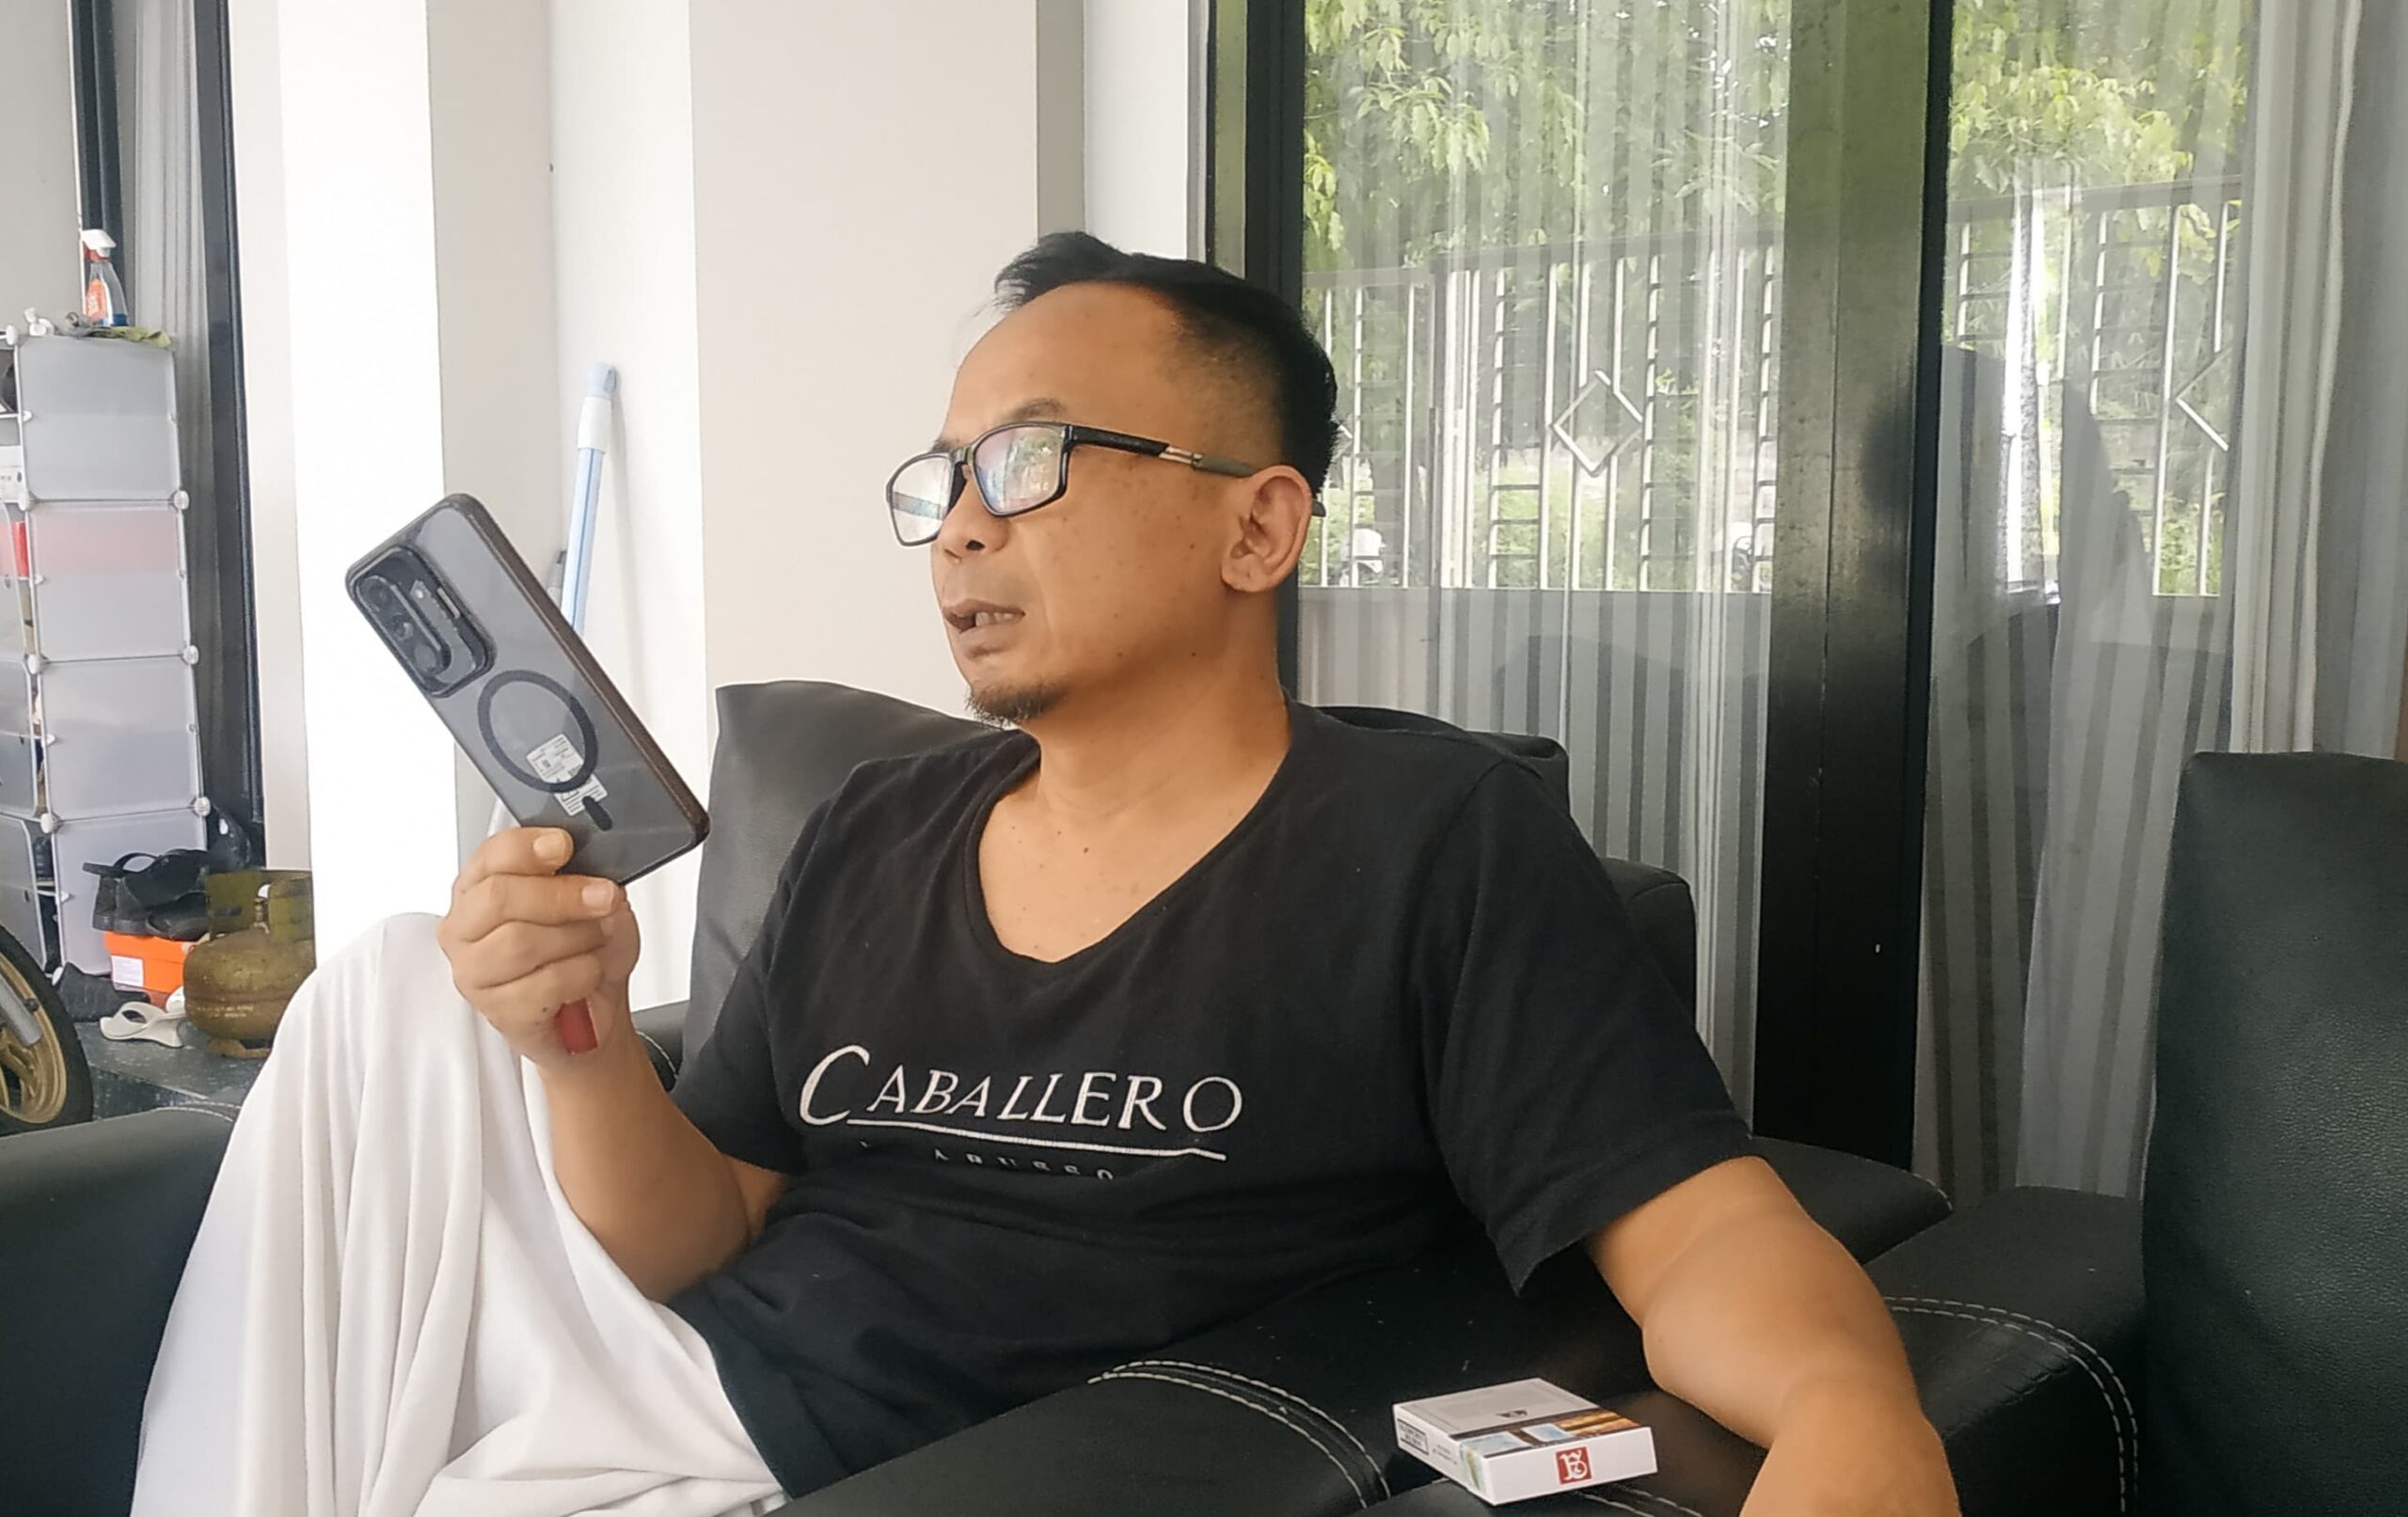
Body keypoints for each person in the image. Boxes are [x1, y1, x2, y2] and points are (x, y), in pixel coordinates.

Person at [132, 233, 1956, 1516]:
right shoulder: (876, 826)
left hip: (868, 1462)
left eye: (1029, 460)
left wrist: (1848, 1411)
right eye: (942, 479)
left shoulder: (1429, 840)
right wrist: (582, 1036)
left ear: (1258, 522)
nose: (962, 528)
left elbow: (1697, 1224)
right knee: (399, 980)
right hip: (652, 1359)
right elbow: (700, 1230)